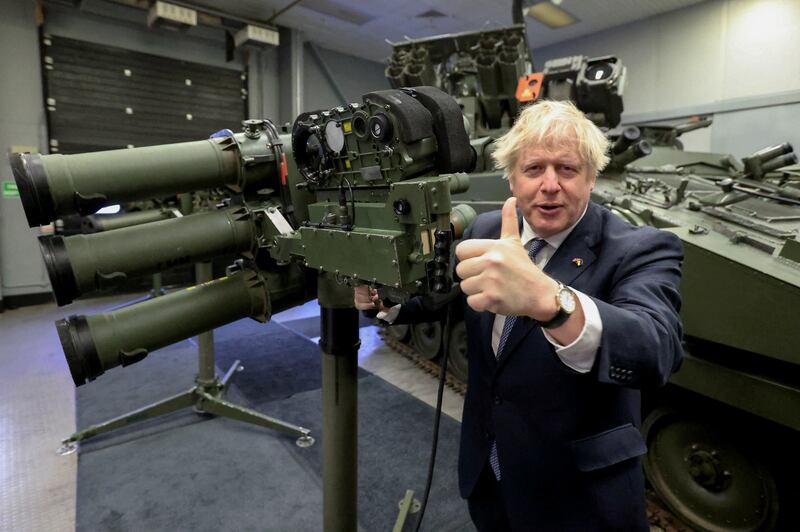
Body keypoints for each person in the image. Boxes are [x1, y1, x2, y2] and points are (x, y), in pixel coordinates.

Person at [355, 100, 683, 531]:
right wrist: (389, 303)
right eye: (533, 169)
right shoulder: (487, 230)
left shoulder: (641, 247)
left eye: (567, 169)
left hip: (579, 498)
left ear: (591, 177)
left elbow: (656, 348)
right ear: (511, 177)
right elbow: (450, 295)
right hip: (490, 470)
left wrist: (549, 300)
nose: (550, 185)